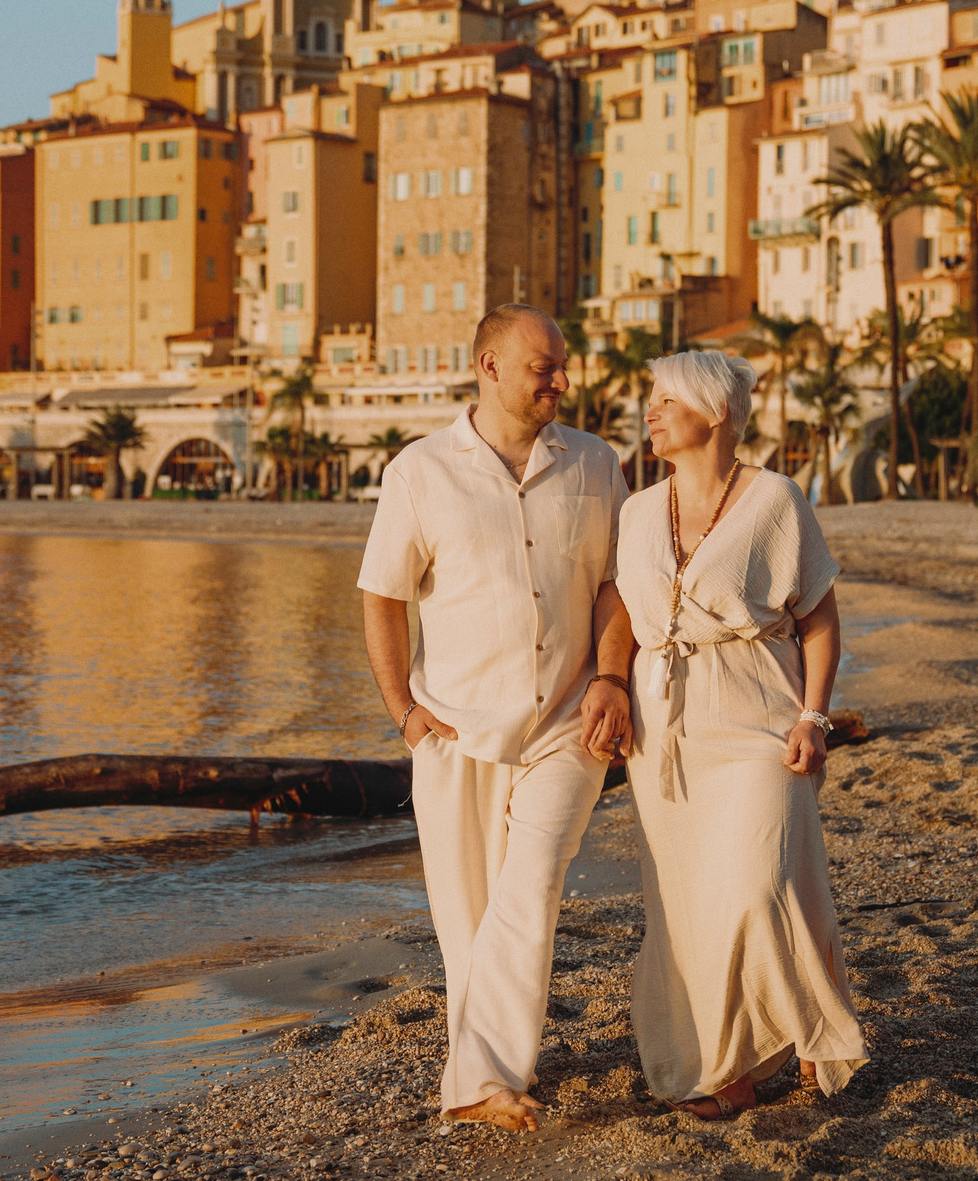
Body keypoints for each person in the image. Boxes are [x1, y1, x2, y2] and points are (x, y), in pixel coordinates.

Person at [358, 305, 635, 1131]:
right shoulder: (419, 472)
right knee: (468, 921)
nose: (562, 380)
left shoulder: (596, 463)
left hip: (567, 726)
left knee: (534, 880)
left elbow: (616, 584)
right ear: (487, 367)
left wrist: (612, 677)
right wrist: (404, 711)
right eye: (543, 367)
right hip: (454, 731)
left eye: (561, 366)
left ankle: (479, 1083)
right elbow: (381, 595)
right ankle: (482, 1069)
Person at [616, 348, 866, 1118]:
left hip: (758, 716)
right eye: (649, 401)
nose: (650, 413)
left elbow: (818, 617)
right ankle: (730, 1069)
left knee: (760, 886)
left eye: (665, 400)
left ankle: (802, 1031)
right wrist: (602, 692)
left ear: (716, 411)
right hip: (664, 733)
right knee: (690, 901)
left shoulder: (775, 501)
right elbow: (620, 614)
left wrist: (814, 716)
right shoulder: (632, 510)